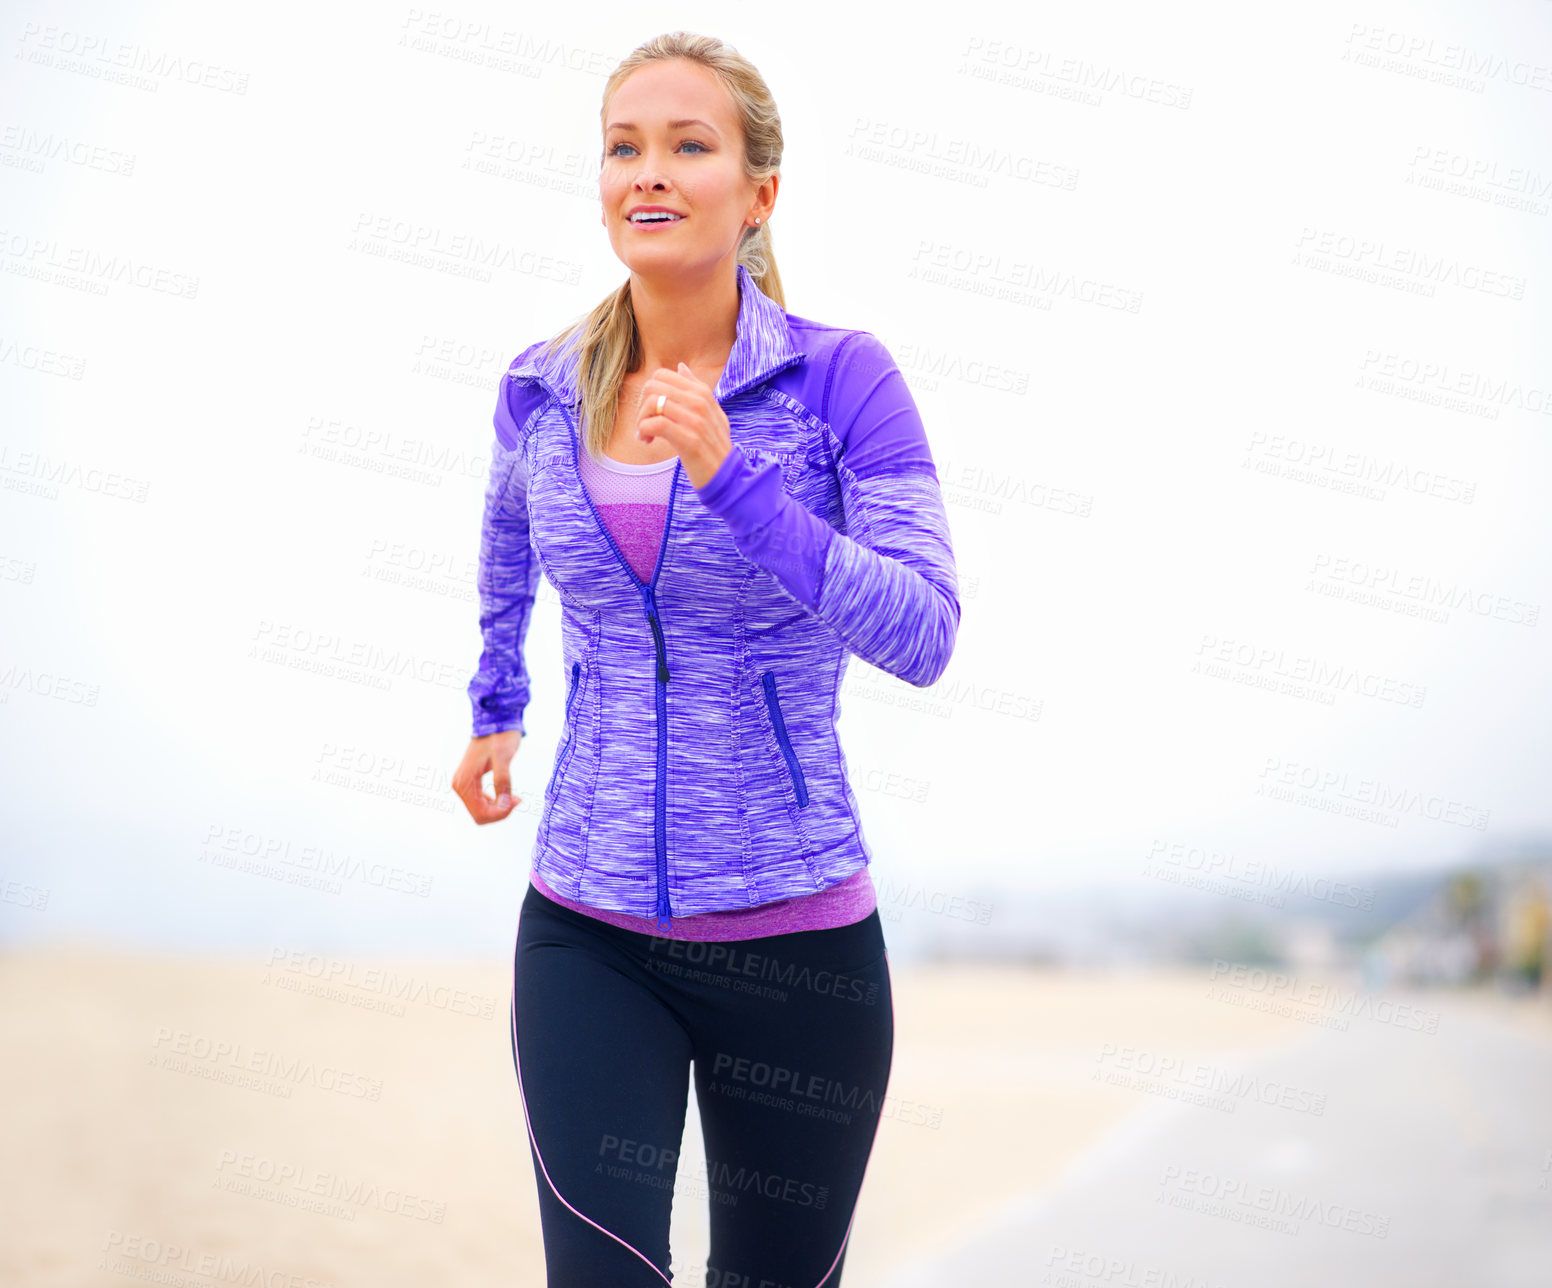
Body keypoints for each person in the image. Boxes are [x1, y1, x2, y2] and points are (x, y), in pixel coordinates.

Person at [451, 30, 961, 1288]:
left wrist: (736, 480)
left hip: (797, 942)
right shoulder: (542, 384)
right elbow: (507, 543)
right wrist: (495, 705)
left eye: (689, 145)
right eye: (624, 147)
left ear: (758, 192)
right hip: (588, 924)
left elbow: (923, 631)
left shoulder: (843, 379)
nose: (649, 174)